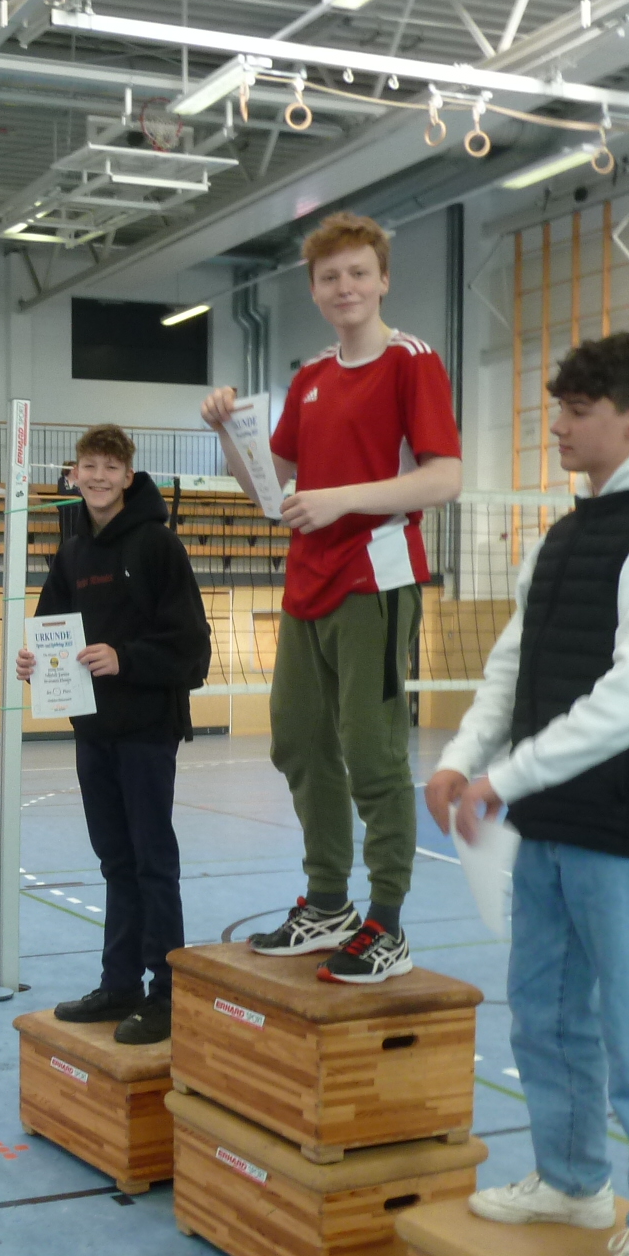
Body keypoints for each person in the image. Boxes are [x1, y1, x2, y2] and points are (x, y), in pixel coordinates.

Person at [430, 334, 629, 1256]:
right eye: (557, 408)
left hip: (626, 832)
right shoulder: (564, 535)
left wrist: (505, 775)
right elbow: (512, 664)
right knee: (545, 1015)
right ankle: (570, 1180)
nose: (555, 425)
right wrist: (462, 756)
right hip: (545, 824)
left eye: (576, 411)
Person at [205, 211, 461, 985]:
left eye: (357, 273)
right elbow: (273, 488)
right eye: (329, 277)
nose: (344, 286)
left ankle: (387, 922)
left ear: (382, 279)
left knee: (373, 751)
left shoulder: (413, 361)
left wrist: (342, 498)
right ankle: (327, 904)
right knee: (299, 741)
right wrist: (228, 434)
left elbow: (444, 477)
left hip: (376, 580)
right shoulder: (312, 378)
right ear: (314, 291)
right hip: (306, 583)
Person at [13, 425, 212, 1045]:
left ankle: (167, 993)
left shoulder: (158, 546)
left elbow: (193, 650)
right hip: (93, 731)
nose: (97, 477)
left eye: (109, 467)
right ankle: (119, 983)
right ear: (73, 475)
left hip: (148, 730)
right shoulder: (72, 554)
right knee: (115, 861)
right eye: (88, 467)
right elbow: (50, 628)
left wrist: (126, 659)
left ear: (128, 475)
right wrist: (32, 662)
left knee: (153, 861)